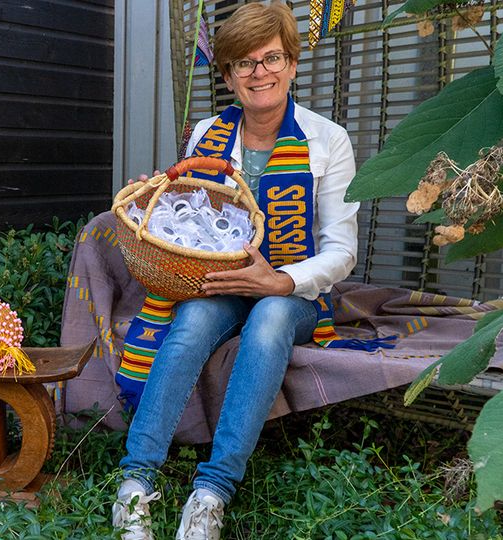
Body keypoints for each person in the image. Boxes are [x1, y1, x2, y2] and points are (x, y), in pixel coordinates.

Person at [110, 2, 361, 539]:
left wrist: (281, 281)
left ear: (292, 65)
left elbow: (342, 251)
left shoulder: (327, 140)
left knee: (270, 318)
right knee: (193, 325)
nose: (259, 72)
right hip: (223, 277)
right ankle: (134, 483)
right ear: (226, 76)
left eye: (271, 58)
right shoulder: (208, 132)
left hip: (291, 290)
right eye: (243, 63)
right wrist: (167, 192)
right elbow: (193, 218)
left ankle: (211, 494)